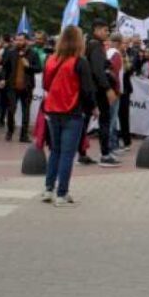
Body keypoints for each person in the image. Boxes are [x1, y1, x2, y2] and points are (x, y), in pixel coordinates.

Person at [41, 26, 96, 207]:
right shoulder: (80, 62)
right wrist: (92, 108)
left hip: (52, 110)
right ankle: (62, 193)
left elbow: (45, 85)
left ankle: (48, 189)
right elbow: (87, 90)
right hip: (72, 111)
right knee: (67, 154)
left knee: (55, 151)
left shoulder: (51, 60)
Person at [84, 19, 120, 167]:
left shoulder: (89, 45)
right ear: (97, 30)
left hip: (90, 89)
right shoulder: (97, 46)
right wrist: (108, 89)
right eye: (105, 30)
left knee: (85, 121)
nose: (107, 33)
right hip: (98, 90)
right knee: (104, 121)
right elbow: (98, 71)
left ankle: (81, 153)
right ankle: (105, 155)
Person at [2, 33, 39, 143]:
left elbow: (39, 68)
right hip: (12, 86)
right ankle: (10, 131)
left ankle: (24, 135)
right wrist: (3, 79)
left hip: (26, 87)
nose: (18, 42)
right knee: (11, 109)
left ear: (26, 41)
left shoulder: (33, 54)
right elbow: (5, 68)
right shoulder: (10, 53)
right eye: (17, 40)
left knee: (25, 111)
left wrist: (29, 66)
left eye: (21, 40)